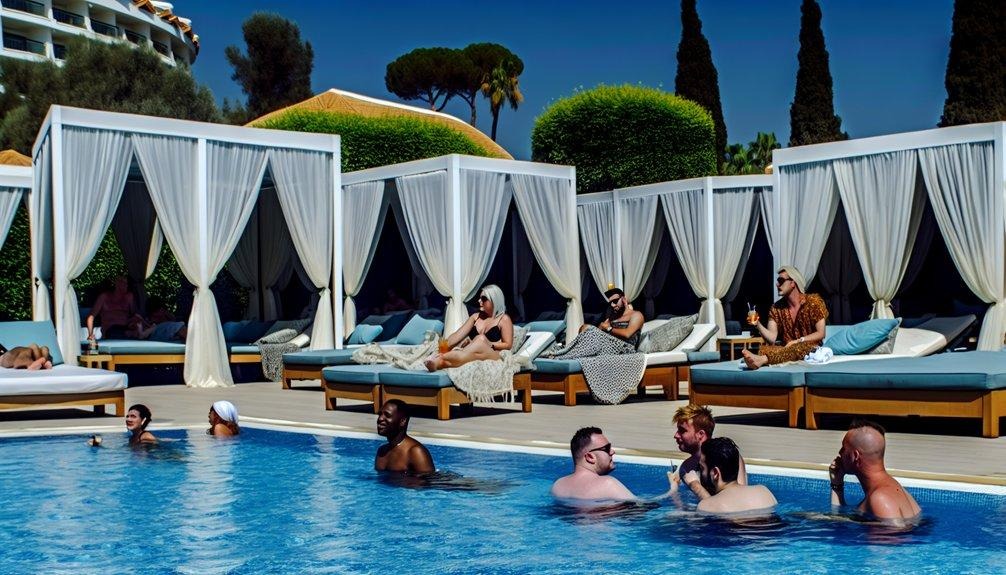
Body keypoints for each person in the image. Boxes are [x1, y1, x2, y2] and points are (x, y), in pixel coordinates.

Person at [830, 419, 921, 522]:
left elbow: (894, 536)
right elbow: (838, 520)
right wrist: (836, 483)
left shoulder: (880, 499)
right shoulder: (894, 488)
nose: (840, 452)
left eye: (844, 448)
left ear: (855, 456)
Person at [742, 266, 828, 370]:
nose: (777, 284)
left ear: (793, 283)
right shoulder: (776, 308)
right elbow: (772, 338)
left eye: (781, 280)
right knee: (764, 349)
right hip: (786, 348)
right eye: (777, 281)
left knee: (799, 348)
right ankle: (763, 358)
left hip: (810, 347)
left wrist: (798, 341)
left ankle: (762, 360)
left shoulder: (814, 302)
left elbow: (821, 333)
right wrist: (757, 324)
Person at [425, 284, 514, 371]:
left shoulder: (503, 319)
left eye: (483, 299)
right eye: (479, 298)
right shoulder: (475, 317)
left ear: (494, 301)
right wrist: (443, 346)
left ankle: (440, 358)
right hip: (473, 353)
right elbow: (457, 335)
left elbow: (508, 345)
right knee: (471, 356)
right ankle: (437, 363)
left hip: (493, 353)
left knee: (481, 338)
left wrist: (488, 343)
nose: (479, 301)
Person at [671, 404, 747, 498]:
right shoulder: (687, 467)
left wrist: (695, 486)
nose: (676, 435)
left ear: (700, 434)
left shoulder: (727, 457)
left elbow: (737, 499)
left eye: (682, 430)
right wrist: (673, 490)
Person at [551, 426, 635, 501]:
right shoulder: (608, 484)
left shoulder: (558, 486)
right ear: (590, 457)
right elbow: (640, 511)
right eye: (607, 448)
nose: (612, 451)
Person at [696, 437, 777, 514]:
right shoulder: (764, 492)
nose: (700, 472)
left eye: (702, 468)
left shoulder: (706, 506)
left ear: (715, 473)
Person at [374, 399, 435, 475]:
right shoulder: (382, 451)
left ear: (403, 421)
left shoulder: (415, 452)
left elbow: (430, 483)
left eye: (387, 415)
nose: (380, 419)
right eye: (380, 414)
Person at [580, 286, 645, 348]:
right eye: (610, 303)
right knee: (585, 328)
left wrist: (608, 328)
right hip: (608, 346)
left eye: (615, 301)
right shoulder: (612, 318)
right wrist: (601, 327)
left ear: (624, 299)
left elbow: (627, 334)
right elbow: (600, 333)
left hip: (626, 349)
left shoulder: (636, 315)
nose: (613, 305)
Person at [86, 276, 143, 342]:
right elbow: (91, 316)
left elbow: (135, 315)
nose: (126, 285)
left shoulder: (129, 297)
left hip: (125, 330)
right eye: (122, 282)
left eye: (126, 283)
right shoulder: (104, 297)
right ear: (116, 284)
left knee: (136, 331)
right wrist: (90, 334)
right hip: (110, 331)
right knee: (116, 332)